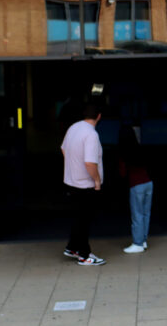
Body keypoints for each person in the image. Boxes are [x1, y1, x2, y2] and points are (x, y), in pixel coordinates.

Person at [61, 103, 107, 266]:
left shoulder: (74, 127)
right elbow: (90, 162)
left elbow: (63, 149)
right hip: (85, 185)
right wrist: (97, 181)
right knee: (84, 220)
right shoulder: (91, 134)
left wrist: (73, 166)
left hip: (71, 181)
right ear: (99, 116)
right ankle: (84, 255)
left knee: (78, 217)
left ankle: (72, 248)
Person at [118, 124, 152, 254]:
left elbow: (122, 173)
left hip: (136, 185)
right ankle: (143, 240)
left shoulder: (124, 152)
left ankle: (137, 243)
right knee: (145, 213)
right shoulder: (140, 148)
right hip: (149, 183)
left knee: (137, 214)